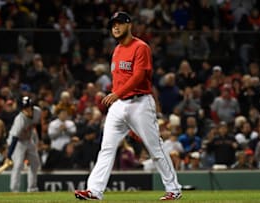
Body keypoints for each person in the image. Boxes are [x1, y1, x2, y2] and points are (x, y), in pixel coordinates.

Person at [74, 11, 182, 201]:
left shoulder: (141, 47)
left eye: (119, 23)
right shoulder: (116, 50)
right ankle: (94, 190)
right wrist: (119, 102)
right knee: (106, 148)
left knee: (155, 148)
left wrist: (117, 94)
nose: (115, 27)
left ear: (129, 25)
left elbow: (139, 76)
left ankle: (174, 189)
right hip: (119, 105)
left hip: (140, 102)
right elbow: (119, 80)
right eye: (113, 24)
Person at [5, 96, 41, 192]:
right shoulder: (20, 119)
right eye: (25, 108)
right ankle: (14, 189)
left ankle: (32, 187)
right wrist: (9, 156)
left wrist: (39, 139)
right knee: (18, 164)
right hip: (17, 142)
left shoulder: (37, 111)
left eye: (28, 107)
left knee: (35, 162)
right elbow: (15, 138)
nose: (27, 110)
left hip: (28, 139)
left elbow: (38, 125)